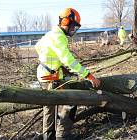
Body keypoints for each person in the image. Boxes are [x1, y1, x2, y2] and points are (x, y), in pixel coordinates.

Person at [35, 8, 101, 140]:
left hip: (46, 73)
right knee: (70, 101)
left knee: (50, 107)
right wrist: (89, 76)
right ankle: (62, 136)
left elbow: (38, 47)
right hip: (50, 77)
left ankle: (50, 136)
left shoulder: (51, 34)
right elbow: (69, 60)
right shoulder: (59, 37)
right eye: (73, 27)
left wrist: (56, 65)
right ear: (65, 22)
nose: (73, 30)